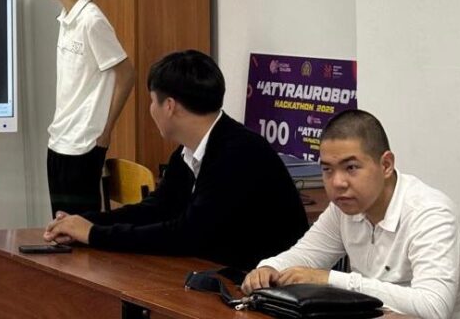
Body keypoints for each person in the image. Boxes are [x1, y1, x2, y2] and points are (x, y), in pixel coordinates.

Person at [44, 50, 308, 271]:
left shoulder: (238, 153)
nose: (151, 110)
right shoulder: (189, 151)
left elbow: (187, 234)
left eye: (152, 101)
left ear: (169, 106)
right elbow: (157, 209)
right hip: (222, 272)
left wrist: (93, 234)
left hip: (266, 285)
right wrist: (85, 222)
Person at [242, 110, 460, 319]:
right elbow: (305, 256)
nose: (337, 183)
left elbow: (433, 307)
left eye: (351, 167)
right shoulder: (344, 208)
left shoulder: (432, 214)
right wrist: (269, 268)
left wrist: (330, 279)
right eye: (327, 169)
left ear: (386, 165)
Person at [42, 0, 135, 217]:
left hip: (84, 142)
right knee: (59, 225)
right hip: (59, 138)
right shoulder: (66, 18)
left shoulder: (92, 21)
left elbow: (127, 73)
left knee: (81, 227)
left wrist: (106, 130)